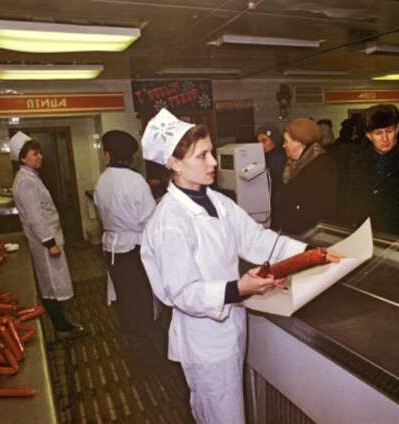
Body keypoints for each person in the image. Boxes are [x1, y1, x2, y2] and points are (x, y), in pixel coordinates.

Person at [139, 108, 337, 423]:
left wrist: (312, 253)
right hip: (204, 339)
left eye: (211, 152)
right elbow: (183, 293)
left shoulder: (217, 202)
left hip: (231, 325)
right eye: (202, 156)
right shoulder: (169, 221)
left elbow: (257, 239)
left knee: (230, 409)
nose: (213, 163)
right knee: (221, 414)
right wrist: (237, 288)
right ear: (174, 163)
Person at [10, 133, 84, 339]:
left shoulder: (30, 177)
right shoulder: (25, 182)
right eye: (35, 154)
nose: (40, 156)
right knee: (50, 286)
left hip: (45, 239)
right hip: (44, 243)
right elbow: (35, 217)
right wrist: (49, 243)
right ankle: (61, 328)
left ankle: (62, 324)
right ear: (23, 158)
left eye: (39, 153)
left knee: (51, 284)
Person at [94, 130, 157, 348]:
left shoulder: (102, 180)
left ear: (108, 155)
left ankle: (130, 333)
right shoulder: (135, 181)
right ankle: (145, 338)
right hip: (134, 246)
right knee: (140, 293)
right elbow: (149, 219)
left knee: (124, 292)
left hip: (112, 247)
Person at [338, 104, 399, 239]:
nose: (385, 138)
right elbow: (349, 200)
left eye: (389, 131)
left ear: (397, 130)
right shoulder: (353, 161)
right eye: (378, 133)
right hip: (367, 235)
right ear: (369, 135)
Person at [278, 118, 339, 235]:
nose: (283, 145)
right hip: (297, 231)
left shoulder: (322, 166)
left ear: (299, 142)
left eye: (286, 141)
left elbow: (320, 209)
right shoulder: (294, 164)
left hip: (311, 233)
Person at [255, 124, 285, 229]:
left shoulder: (280, 157)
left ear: (274, 140)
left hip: (279, 201)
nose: (261, 145)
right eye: (259, 142)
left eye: (264, 141)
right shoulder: (265, 156)